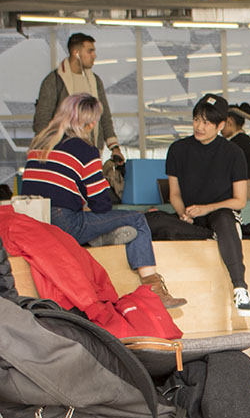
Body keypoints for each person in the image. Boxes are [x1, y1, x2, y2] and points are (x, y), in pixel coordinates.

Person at [23, 93, 185, 310]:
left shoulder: (39, 145)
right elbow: (101, 204)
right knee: (138, 220)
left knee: (97, 220)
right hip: (65, 223)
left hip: (34, 221)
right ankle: (155, 289)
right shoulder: (85, 149)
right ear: (90, 123)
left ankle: (99, 236)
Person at [166, 94, 250, 316]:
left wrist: (206, 208)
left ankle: (240, 288)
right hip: (190, 217)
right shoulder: (178, 149)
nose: (199, 127)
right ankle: (209, 235)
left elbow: (240, 200)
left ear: (221, 125)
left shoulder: (234, 153)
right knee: (151, 221)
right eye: (197, 120)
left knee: (224, 219)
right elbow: (174, 194)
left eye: (206, 122)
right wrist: (183, 213)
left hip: (220, 214)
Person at [33, 33, 123, 165]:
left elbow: (104, 116)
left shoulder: (95, 81)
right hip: (63, 154)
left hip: (92, 152)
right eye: (90, 51)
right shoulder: (54, 81)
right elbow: (42, 120)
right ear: (76, 53)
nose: (94, 55)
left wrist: (114, 147)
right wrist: (49, 151)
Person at [221, 103, 250, 200]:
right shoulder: (240, 141)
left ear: (229, 121)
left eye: (221, 124)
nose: (220, 129)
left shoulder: (238, 143)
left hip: (244, 187)